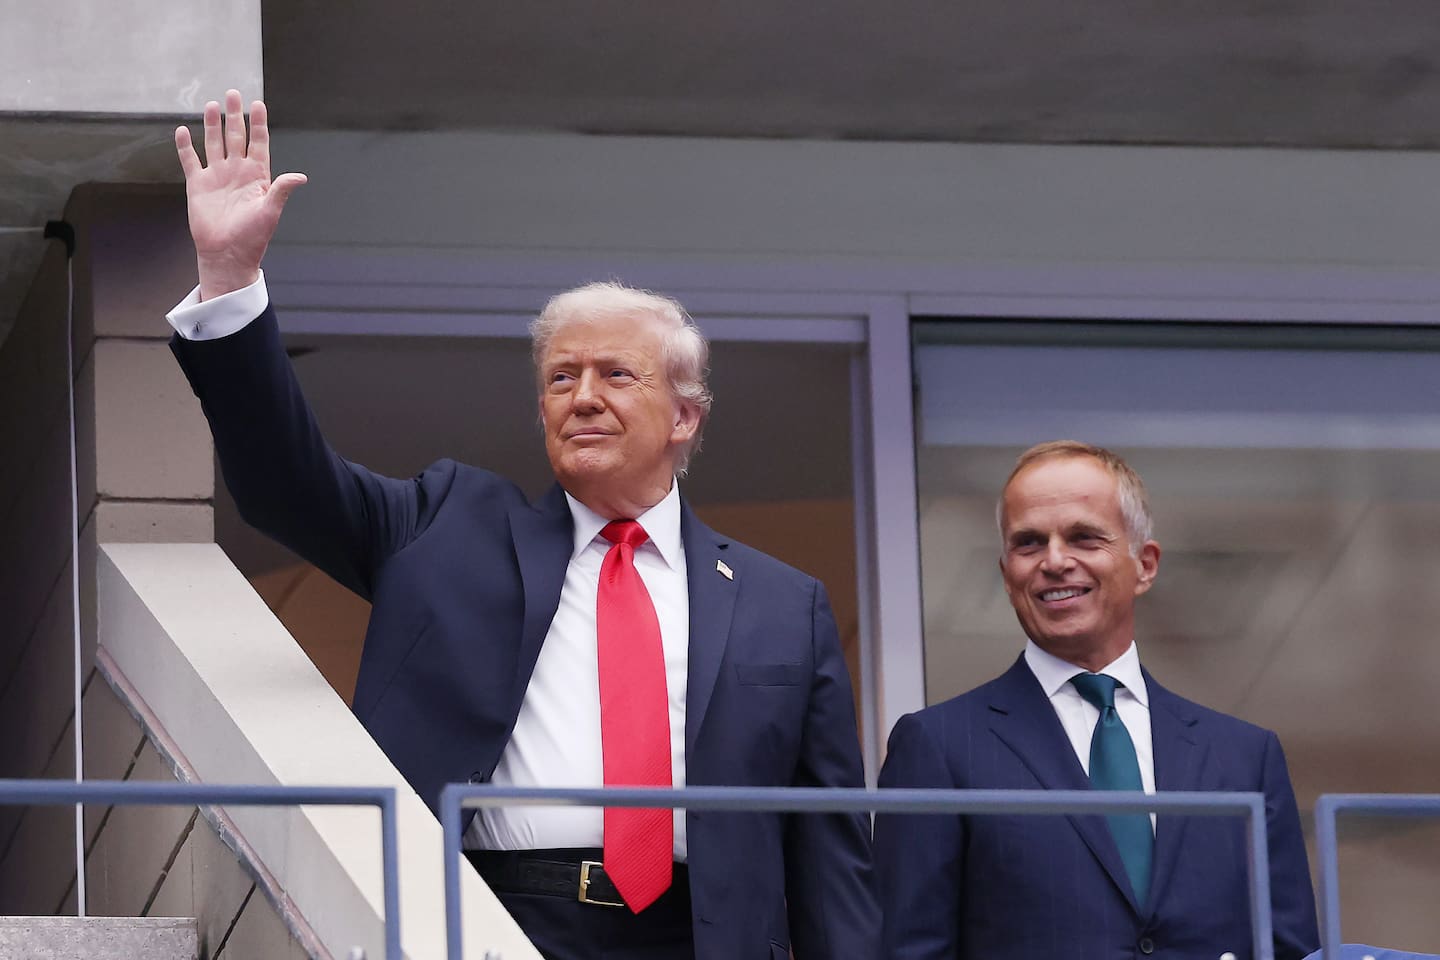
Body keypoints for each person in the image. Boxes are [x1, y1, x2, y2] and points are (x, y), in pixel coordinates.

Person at [168, 90, 878, 960]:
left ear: (686, 416)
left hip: (705, 937)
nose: (582, 396)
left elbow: (832, 853)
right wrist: (232, 287)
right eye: (560, 378)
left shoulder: (783, 604)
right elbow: (285, 486)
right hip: (493, 923)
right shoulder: (446, 525)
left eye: (617, 375)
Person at [874, 440, 1319, 960]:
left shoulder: (1244, 757)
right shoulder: (939, 747)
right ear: (1006, 573)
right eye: (1029, 543)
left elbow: (1291, 950)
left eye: (1084, 537)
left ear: (1145, 565)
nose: (1055, 561)